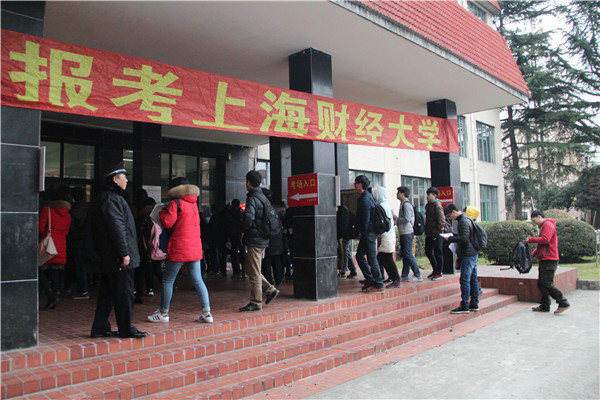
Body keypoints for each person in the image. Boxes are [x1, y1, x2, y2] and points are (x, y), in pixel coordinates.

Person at [86, 162, 147, 339]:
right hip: (117, 256)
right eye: (124, 177)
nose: (126, 180)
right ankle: (126, 328)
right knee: (124, 292)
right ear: (115, 179)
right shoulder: (111, 199)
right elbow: (117, 227)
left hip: (110, 256)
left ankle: (99, 327)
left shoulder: (107, 197)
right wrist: (124, 253)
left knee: (107, 293)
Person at [147, 177, 213, 323]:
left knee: (168, 280)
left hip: (179, 247)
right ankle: (207, 313)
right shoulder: (193, 202)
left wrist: (162, 212)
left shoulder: (175, 203)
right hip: (194, 247)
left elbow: (167, 222)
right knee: (198, 280)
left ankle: (163, 313)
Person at [239, 170, 280, 312]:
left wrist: (242, 229)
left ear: (248, 182)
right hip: (262, 238)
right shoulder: (263, 197)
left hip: (255, 240)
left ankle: (256, 302)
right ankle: (270, 290)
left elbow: (249, 218)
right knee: (249, 268)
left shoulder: (252, 198)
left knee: (254, 272)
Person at [527, 210, 570, 314]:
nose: (534, 223)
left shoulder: (548, 225)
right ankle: (545, 305)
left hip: (549, 259)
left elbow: (545, 239)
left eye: (534, 220)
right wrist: (532, 255)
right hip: (544, 259)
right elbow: (541, 245)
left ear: (539, 217)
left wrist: (531, 239)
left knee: (547, 283)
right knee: (541, 284)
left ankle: (563, 302)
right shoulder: (543, 226)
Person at [39, 187, 72, 310]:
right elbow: (67, 231)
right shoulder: (67, 212)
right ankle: (54, 295)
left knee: (40, 270)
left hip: (48, 244)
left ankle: (50, 295)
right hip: (60, 245)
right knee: (55, 273)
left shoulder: (47, 210)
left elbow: (40, 228)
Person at [443, 204, 479, 314]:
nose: (450, 218)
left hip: (468, 254)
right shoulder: (467, 219)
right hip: (472, 253)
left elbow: (464, 238)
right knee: (473, 279)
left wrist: (450, 238)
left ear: (454, 212)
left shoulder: (463, 221)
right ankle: (474, 303)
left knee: (465, 279)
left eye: (449, 215)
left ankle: (465, 305)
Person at [354, 175, 384, 293]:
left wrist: (363, 231)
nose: (354, 185)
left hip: (369, 232)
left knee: (371, 258)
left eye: (356, 183)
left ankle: (379, 283)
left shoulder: (365, 199)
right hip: (368, 232)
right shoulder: (368, 196)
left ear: (360, 184)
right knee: (360, 255)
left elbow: (365, 218)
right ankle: (370, 279)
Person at [372, 186, 401, 289]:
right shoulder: (384, 205)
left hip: (386, 235)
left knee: (387, 258)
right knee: (381, 258)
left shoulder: (381, 206)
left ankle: (396, 279)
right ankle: (388, 277)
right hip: (388, 234)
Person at [68, 186, 91, 299]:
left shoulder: (73, 209)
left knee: (79, 264)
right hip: (88, 239)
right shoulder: (89, 208)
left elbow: (72, 226)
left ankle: (83, 289)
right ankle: (85, 286)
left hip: (78, 238)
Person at [396, 186, 422, 282]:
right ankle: (405, 275)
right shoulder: (404, 203)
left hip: (407, 232)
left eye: (398, 192)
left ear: (403, 194)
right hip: (404, 232)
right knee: (405, 254)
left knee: (408, 254)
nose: (397, 194)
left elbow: (407, 218)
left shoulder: (406, 204)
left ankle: (417, 274)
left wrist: (396, 218)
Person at [424, 187, 445, 281]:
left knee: (438, 253)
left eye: (429, 194)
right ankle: (435, 269)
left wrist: (439, 232)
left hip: (436, 233)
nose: (427, 196)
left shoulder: (437, 206)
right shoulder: (428, 205)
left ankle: (439, 272)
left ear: (435, 195)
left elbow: (441, 220)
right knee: (428, 251)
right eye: (427, 194)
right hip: (429, 233)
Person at [336, 203, 358, 279]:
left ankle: (342, 272)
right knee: (347, 252)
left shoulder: (342, 212)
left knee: (343, 253)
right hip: (348, 235)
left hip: (343, 236)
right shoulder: (346, 209)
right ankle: (353, 270)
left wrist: (340, 235)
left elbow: (342, 225)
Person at [228, 198, 246, 278]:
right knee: (242, 252)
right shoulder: (242, 213)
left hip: (233, 235)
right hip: (241, 235)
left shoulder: (230, 213)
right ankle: (244, 270)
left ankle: (236, 271)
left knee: (234, 253)